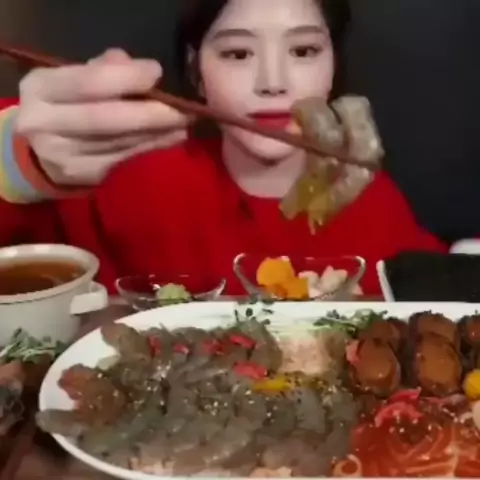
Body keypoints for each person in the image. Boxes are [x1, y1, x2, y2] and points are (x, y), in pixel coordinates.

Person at [0, 0, 446, 295]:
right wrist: (26, 161)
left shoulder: (376, 202)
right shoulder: (132, 180)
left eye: (304, 51)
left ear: (333, 68)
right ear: (197, 72)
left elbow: (449, 288)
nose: (273, 82)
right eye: (237, 54)